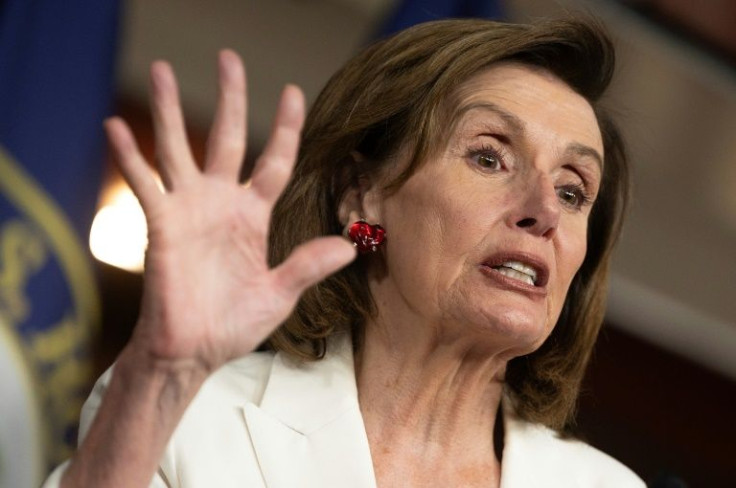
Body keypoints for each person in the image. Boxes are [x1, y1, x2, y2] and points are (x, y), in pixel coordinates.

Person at [45, 17, 644, 487]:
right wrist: (161, 372)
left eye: (573, 190)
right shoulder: (185, 417)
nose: (542, 209)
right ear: (363, 195)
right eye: (489, 157)